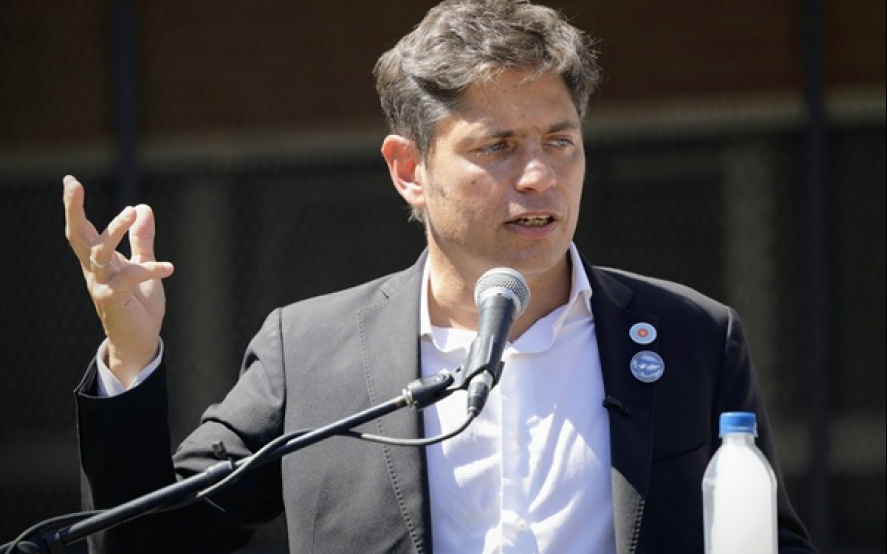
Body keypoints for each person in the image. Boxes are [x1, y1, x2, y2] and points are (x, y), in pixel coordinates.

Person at [61, 0, 818, 553]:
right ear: (408, 170)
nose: (538, 176)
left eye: (560, 142)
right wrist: (130, 353)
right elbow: (151, 542)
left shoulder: (691, 336)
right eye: (497, 147)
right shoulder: (311, 351)